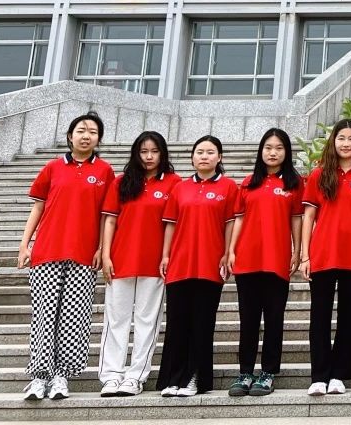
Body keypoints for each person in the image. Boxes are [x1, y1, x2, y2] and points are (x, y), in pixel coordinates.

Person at [17, 111, 113, 401]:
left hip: (83, 255)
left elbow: (106, 215)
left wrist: (101, 248)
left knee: (74, 317)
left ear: (98, 139)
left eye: (93, 132)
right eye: (81, 130)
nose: (86, 136)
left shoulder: (105, 172)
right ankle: (39, 377)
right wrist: (25, 244)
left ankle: (61, 376)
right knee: (44, 315)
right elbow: (38, 207)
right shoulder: (52, 167)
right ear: (70, 136)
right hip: (47, 251)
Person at [98, 130, 179, 398]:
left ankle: (135, 377)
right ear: (136, 154)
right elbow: (110, 220)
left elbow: (173, 224)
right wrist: (106, 255)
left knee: (147, 321)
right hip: (120, 260)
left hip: (154, 264)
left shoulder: (174, 183)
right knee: (116, 320)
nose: (149, 157)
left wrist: (167, 257)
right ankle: (111, 376)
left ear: (163, 154)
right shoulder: (121, 182)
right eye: (144, 151)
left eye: (154, 151)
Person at [156, 135, 238, 397]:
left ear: (219, 157)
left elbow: (230, 223)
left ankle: (194, 379)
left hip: (210, 264)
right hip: (180, 263)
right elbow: (170, 224)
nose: (204, 156)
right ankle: (174, 378)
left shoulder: (228, 187)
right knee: (177, 323)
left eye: (210, 152)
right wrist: (166, 255)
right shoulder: (180, 188)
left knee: (202, 324)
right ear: (192, 157)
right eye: (200, 152)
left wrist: (228, 252)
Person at [300, 119, 351, 396]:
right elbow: (309, 216)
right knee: (319, 317)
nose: (346, 143)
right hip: (322, 253)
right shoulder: (319, 174)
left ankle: (339, 375)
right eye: (341, 138)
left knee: (348, 316)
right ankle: (319, 376)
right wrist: (304, 255)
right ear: (333, 141)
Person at [226, 128, 303, 398]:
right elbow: (239, 219)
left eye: (279, 148)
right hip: (247, 259)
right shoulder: (249, 182)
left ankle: (268, 372)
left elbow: (296, 219)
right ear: (261, 151)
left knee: (273, 318)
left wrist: (297, 250)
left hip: (276, 259)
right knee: (247, 319)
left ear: (286, 152)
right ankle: (245, 372)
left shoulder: (294, 183)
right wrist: (231, 250)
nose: (273, 152)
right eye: (268, 147)